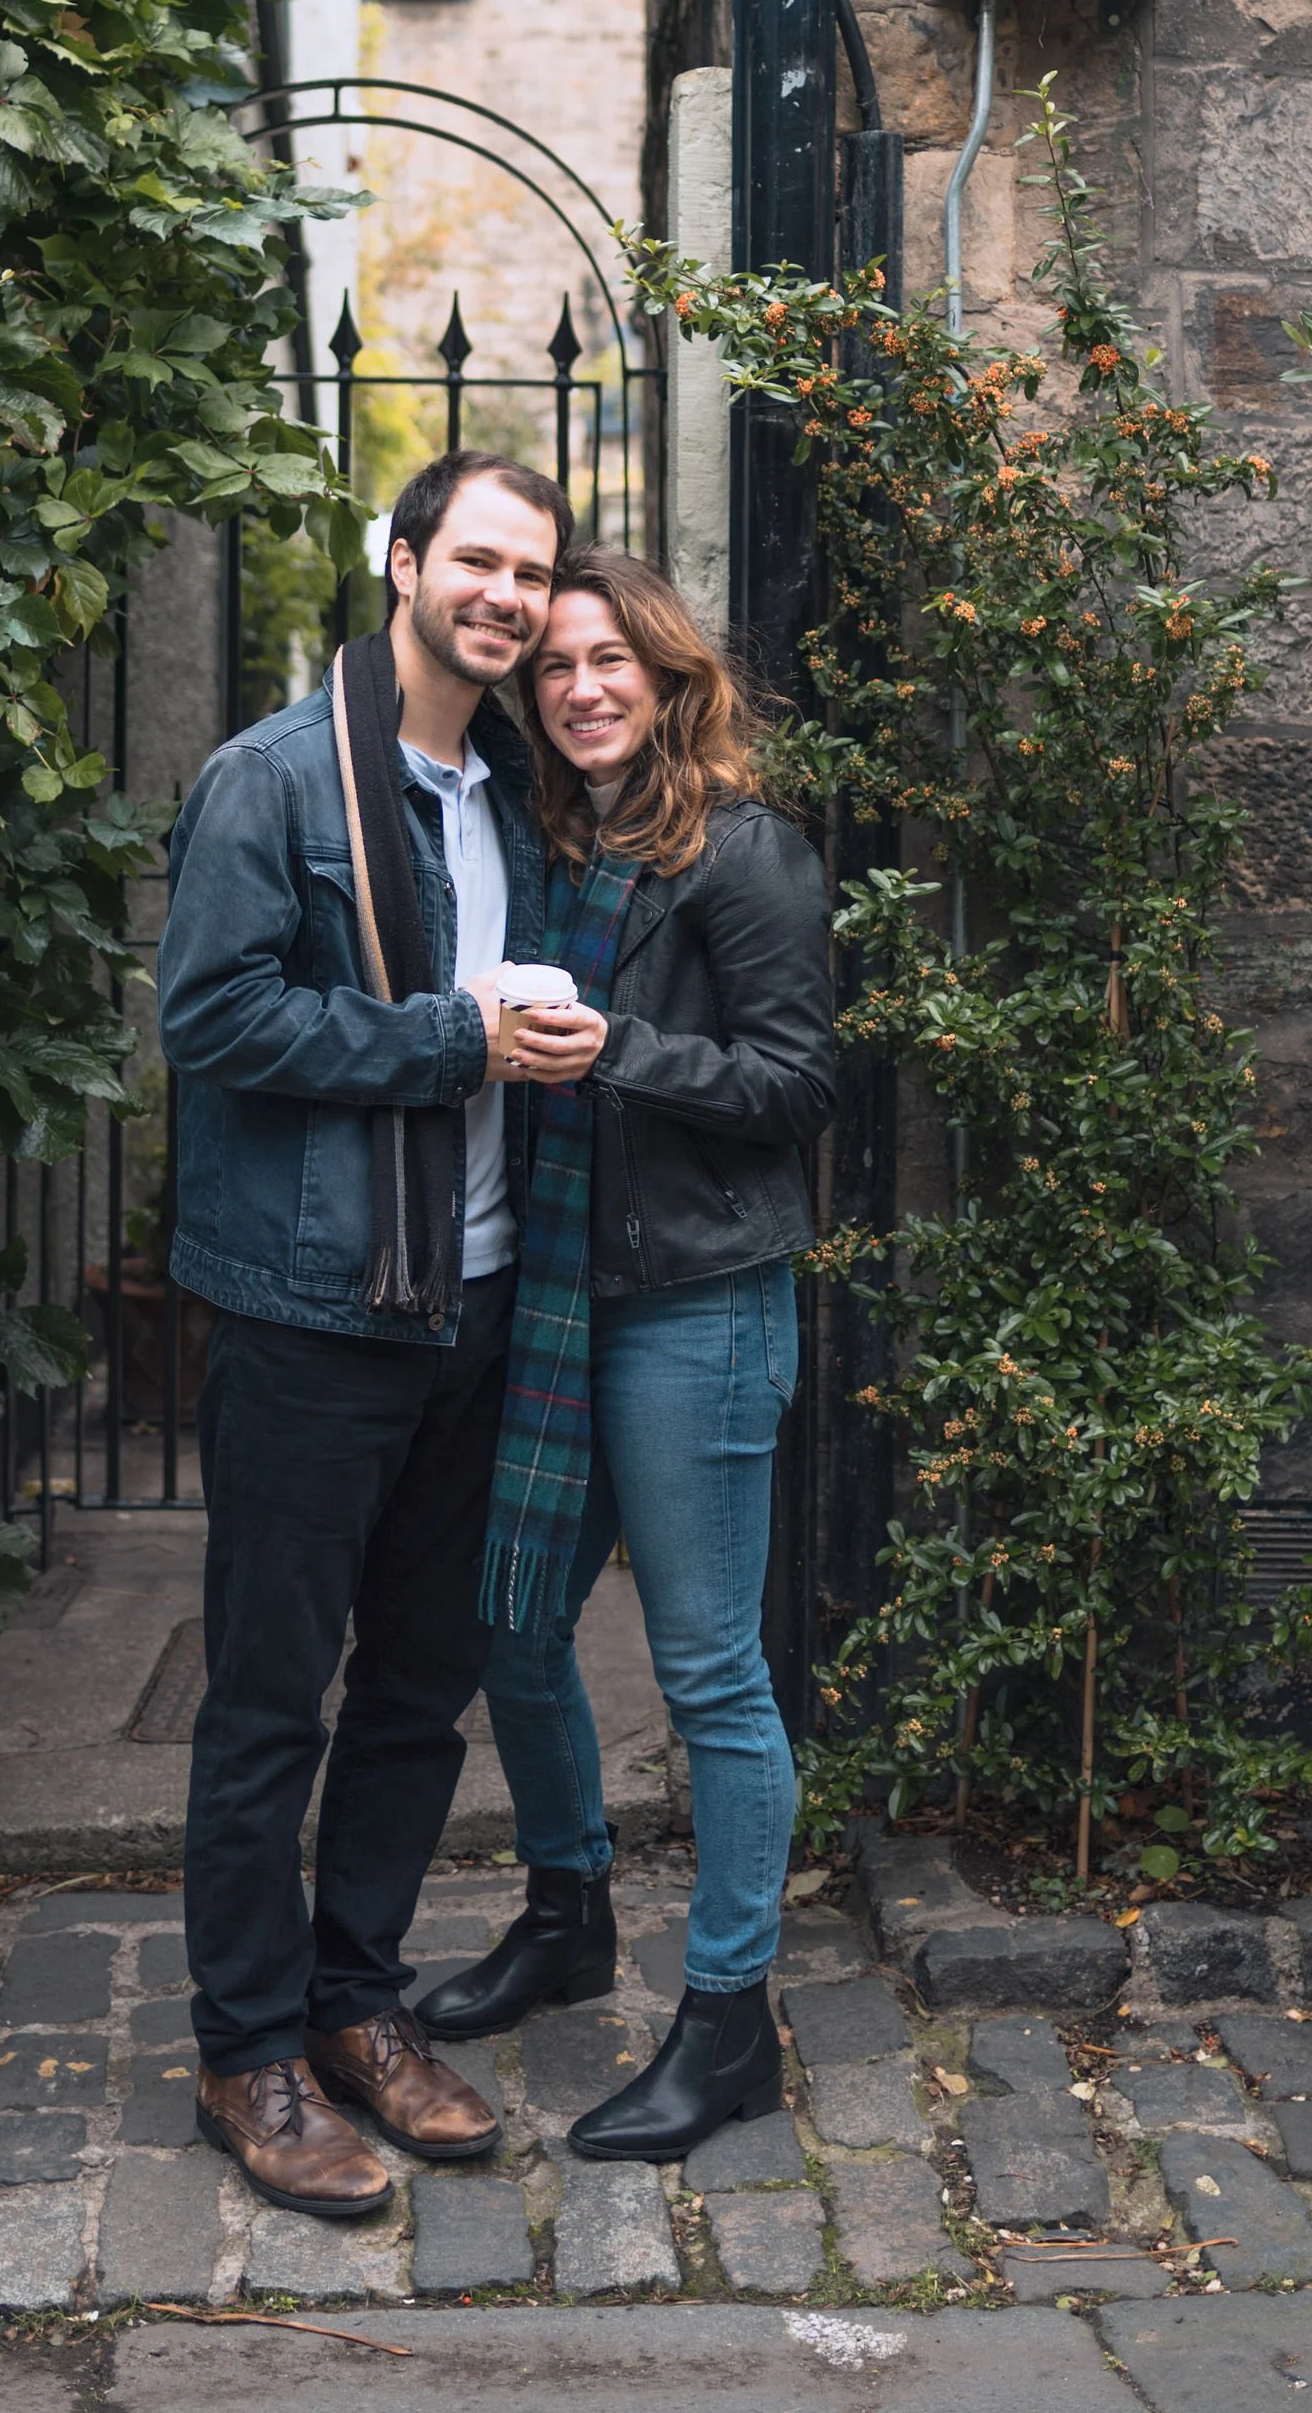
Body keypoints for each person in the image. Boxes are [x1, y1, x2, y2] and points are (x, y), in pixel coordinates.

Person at [156, 449, 587, 2221]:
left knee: (422, 1686)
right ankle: (247, 2048)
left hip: (475, 1304)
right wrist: (448, 1046)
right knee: (271, 1698)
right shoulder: (275, 779)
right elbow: (215, 1017)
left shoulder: (506, 793)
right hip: (312, 1316)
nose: (500, 595)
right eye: (473, 560)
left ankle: (356, 2005)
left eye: (527, 575)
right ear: (399, 563)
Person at [413, 548, 837, 2158]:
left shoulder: (749, 856)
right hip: (557, 1296)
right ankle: (569, 1911)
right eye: (557, 668)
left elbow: (798, 1088)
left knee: (711, 1671)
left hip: (696, 1309)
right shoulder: (546, 850)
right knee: (510, 1623)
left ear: (668, 678)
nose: (583, 688)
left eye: (612, 662)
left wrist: (623, 1055)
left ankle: (730, 2019)